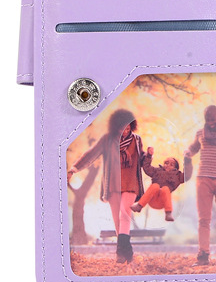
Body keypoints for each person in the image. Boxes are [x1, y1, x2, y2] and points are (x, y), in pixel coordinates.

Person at [67, 109, 145, 263]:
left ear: (132, 125)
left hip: (131, 183)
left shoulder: (137, 140)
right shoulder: (108, 139)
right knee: (117, 219)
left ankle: (121, 251)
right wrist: (74, 169)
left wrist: (149, 156)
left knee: (125, 213)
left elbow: (142, 160)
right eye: (122, 128)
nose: (125, 131)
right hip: (112, 184)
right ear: (116, 126)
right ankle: (125, 252)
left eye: (128, 127)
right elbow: (92, 154)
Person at [185, 105, 216, 266]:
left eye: (213, 119)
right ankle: (203, 254)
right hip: (203, 179)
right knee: (204, 219)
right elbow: (193, 148)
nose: (211, 122)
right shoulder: (200, 133)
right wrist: (188, 152)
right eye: (207, 120)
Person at [131, 148, 185, 222]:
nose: (168, 165)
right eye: (166, 163)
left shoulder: (178, 176)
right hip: (152, 199)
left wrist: (187, 162)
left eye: (171, 165)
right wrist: (149, 156)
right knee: (155, 186)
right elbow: (147, 168)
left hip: (162, 202)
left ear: (175, 168)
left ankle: (168, 213)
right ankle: (139, 206)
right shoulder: (157, 171)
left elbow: (186, 176)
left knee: (165, 189)